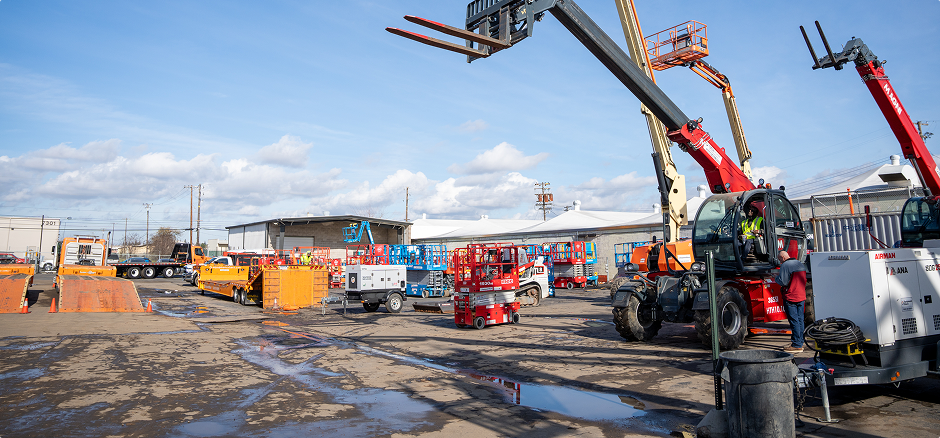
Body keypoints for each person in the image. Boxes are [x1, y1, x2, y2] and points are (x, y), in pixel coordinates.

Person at [774, 250, 807, 353]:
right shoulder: (799, 263)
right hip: (801, 296)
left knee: (794, 321)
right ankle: (800, 342)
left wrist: (776, 278)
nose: (780, 262)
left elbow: (783, 282)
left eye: (780, 259)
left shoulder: (785, 265)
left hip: (791, 297)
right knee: (800, 320)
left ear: (783, 257)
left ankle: (796, 344)